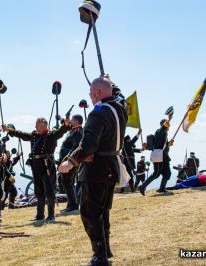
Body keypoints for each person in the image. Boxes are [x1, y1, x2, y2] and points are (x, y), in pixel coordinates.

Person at [59, 77, 128, 265]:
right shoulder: (121, 107)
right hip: (112, 165)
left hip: (97, 168)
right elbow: (118, 93)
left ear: (98, 92)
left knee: (89, 213)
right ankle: (106, 250)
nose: (89, 95)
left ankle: (99, 256)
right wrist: (109, 80)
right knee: (103, 210)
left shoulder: (98, 113)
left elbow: (88, 145)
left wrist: (71, 161)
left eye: (91, 92)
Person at [3, 117, 70, 222]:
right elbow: (22, 134)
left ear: (43, 126)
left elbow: (60, 132)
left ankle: (51, 215)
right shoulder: (34, 136)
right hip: (36, 166)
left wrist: (65, 125)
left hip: (47, 165)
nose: (35, 127)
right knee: (39, 192)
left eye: (37, 125)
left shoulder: (51, 136)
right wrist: (10, 130)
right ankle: (40, 215)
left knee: (49, 191)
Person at [138, 114, 174, 195]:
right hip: (158, 157)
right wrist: (169, 119)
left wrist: (169, 143)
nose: (169, 126)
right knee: (156, 174)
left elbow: (162, 145)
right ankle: (142, 186)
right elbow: (163, 128)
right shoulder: (159, 131)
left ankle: (162, 188)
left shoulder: (164, 134)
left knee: (167, 173)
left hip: (164, 157)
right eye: (168, 125)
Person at [59, 114, 83, 213]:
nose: (70, 121)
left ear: (76, 121)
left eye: (72, 119)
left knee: (68, 181)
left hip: (70, 161)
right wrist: (62, 118)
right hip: (66, 160)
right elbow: (66, 123)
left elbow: (75, 147)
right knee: (65, 181)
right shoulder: (73, 130)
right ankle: (71, 204)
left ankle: (73, 205)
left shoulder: (77, 132)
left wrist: (66, 160)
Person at [120, 128, 144, 192]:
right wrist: (138, 133)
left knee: (127, 176)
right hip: (127, 163)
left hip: (127, 163)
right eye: (129, 139)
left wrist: (141, 149)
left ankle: (125, 190)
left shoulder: (127, 146)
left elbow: (135, 150)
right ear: (127, 140)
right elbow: (133, 141)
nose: (130, 140)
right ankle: (132, 189)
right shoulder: (126, 145)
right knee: (129, 176)